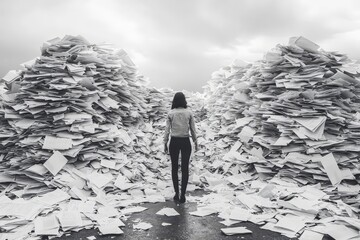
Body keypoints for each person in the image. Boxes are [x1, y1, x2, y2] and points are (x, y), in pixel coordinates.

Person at [164, 92, 198, 203]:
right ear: (184, 101)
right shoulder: (189, 113)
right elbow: (193, 129)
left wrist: (165, 143)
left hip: (174, 141)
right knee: (185, 168)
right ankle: (183, 194)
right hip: (185, 141)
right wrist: (195, 142)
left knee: (174, 168)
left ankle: (176, 194)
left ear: (174, 101)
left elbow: (167, 131)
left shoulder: (171, 113)